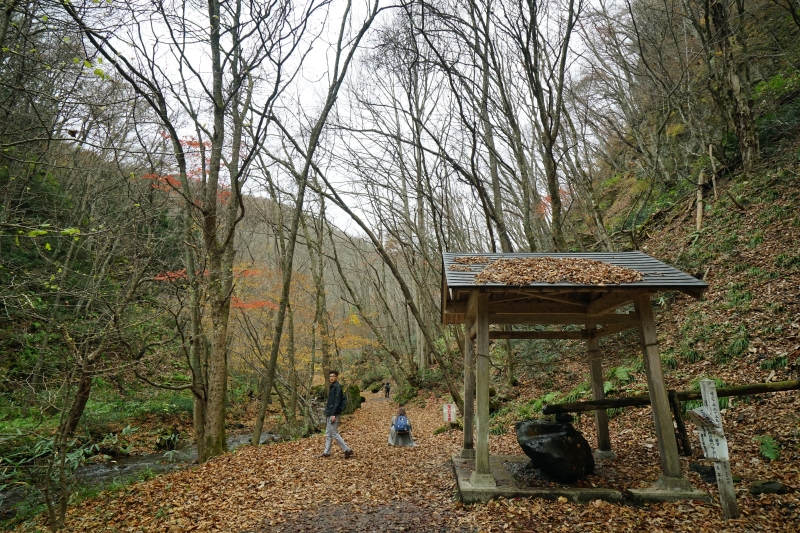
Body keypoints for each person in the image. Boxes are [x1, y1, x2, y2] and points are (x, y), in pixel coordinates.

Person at [319, 370, 353, 458]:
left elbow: (337, 401)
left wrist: (333, 414)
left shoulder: (338, 387)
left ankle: (347, 450)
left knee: (334, 433)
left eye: (333, 376)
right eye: (330, 376)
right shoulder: (332, 386)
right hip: (329, 412)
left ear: (336, 377)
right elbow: (331, 401)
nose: (331, 378)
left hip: (333, 413)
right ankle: (327, 452)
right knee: (328, 433)